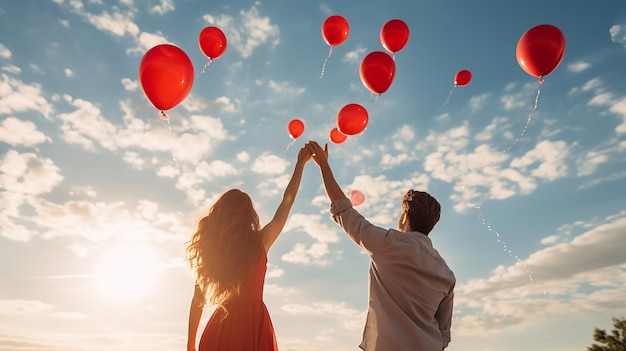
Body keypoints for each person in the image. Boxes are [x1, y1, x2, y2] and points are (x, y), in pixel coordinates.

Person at [305, 141, 456, 351]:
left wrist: (323, 165)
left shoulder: (387, 244)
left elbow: (343, 210)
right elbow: (444, 335)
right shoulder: (447, 274)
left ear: (404, 216)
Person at [185, 146, 311, 351]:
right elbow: (286, 203)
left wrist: (190, 343)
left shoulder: (215, 249)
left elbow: (197, 300)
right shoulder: (260, 242)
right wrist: (300, 164)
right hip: (253, 326)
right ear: (248, 216)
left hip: (222, 328)